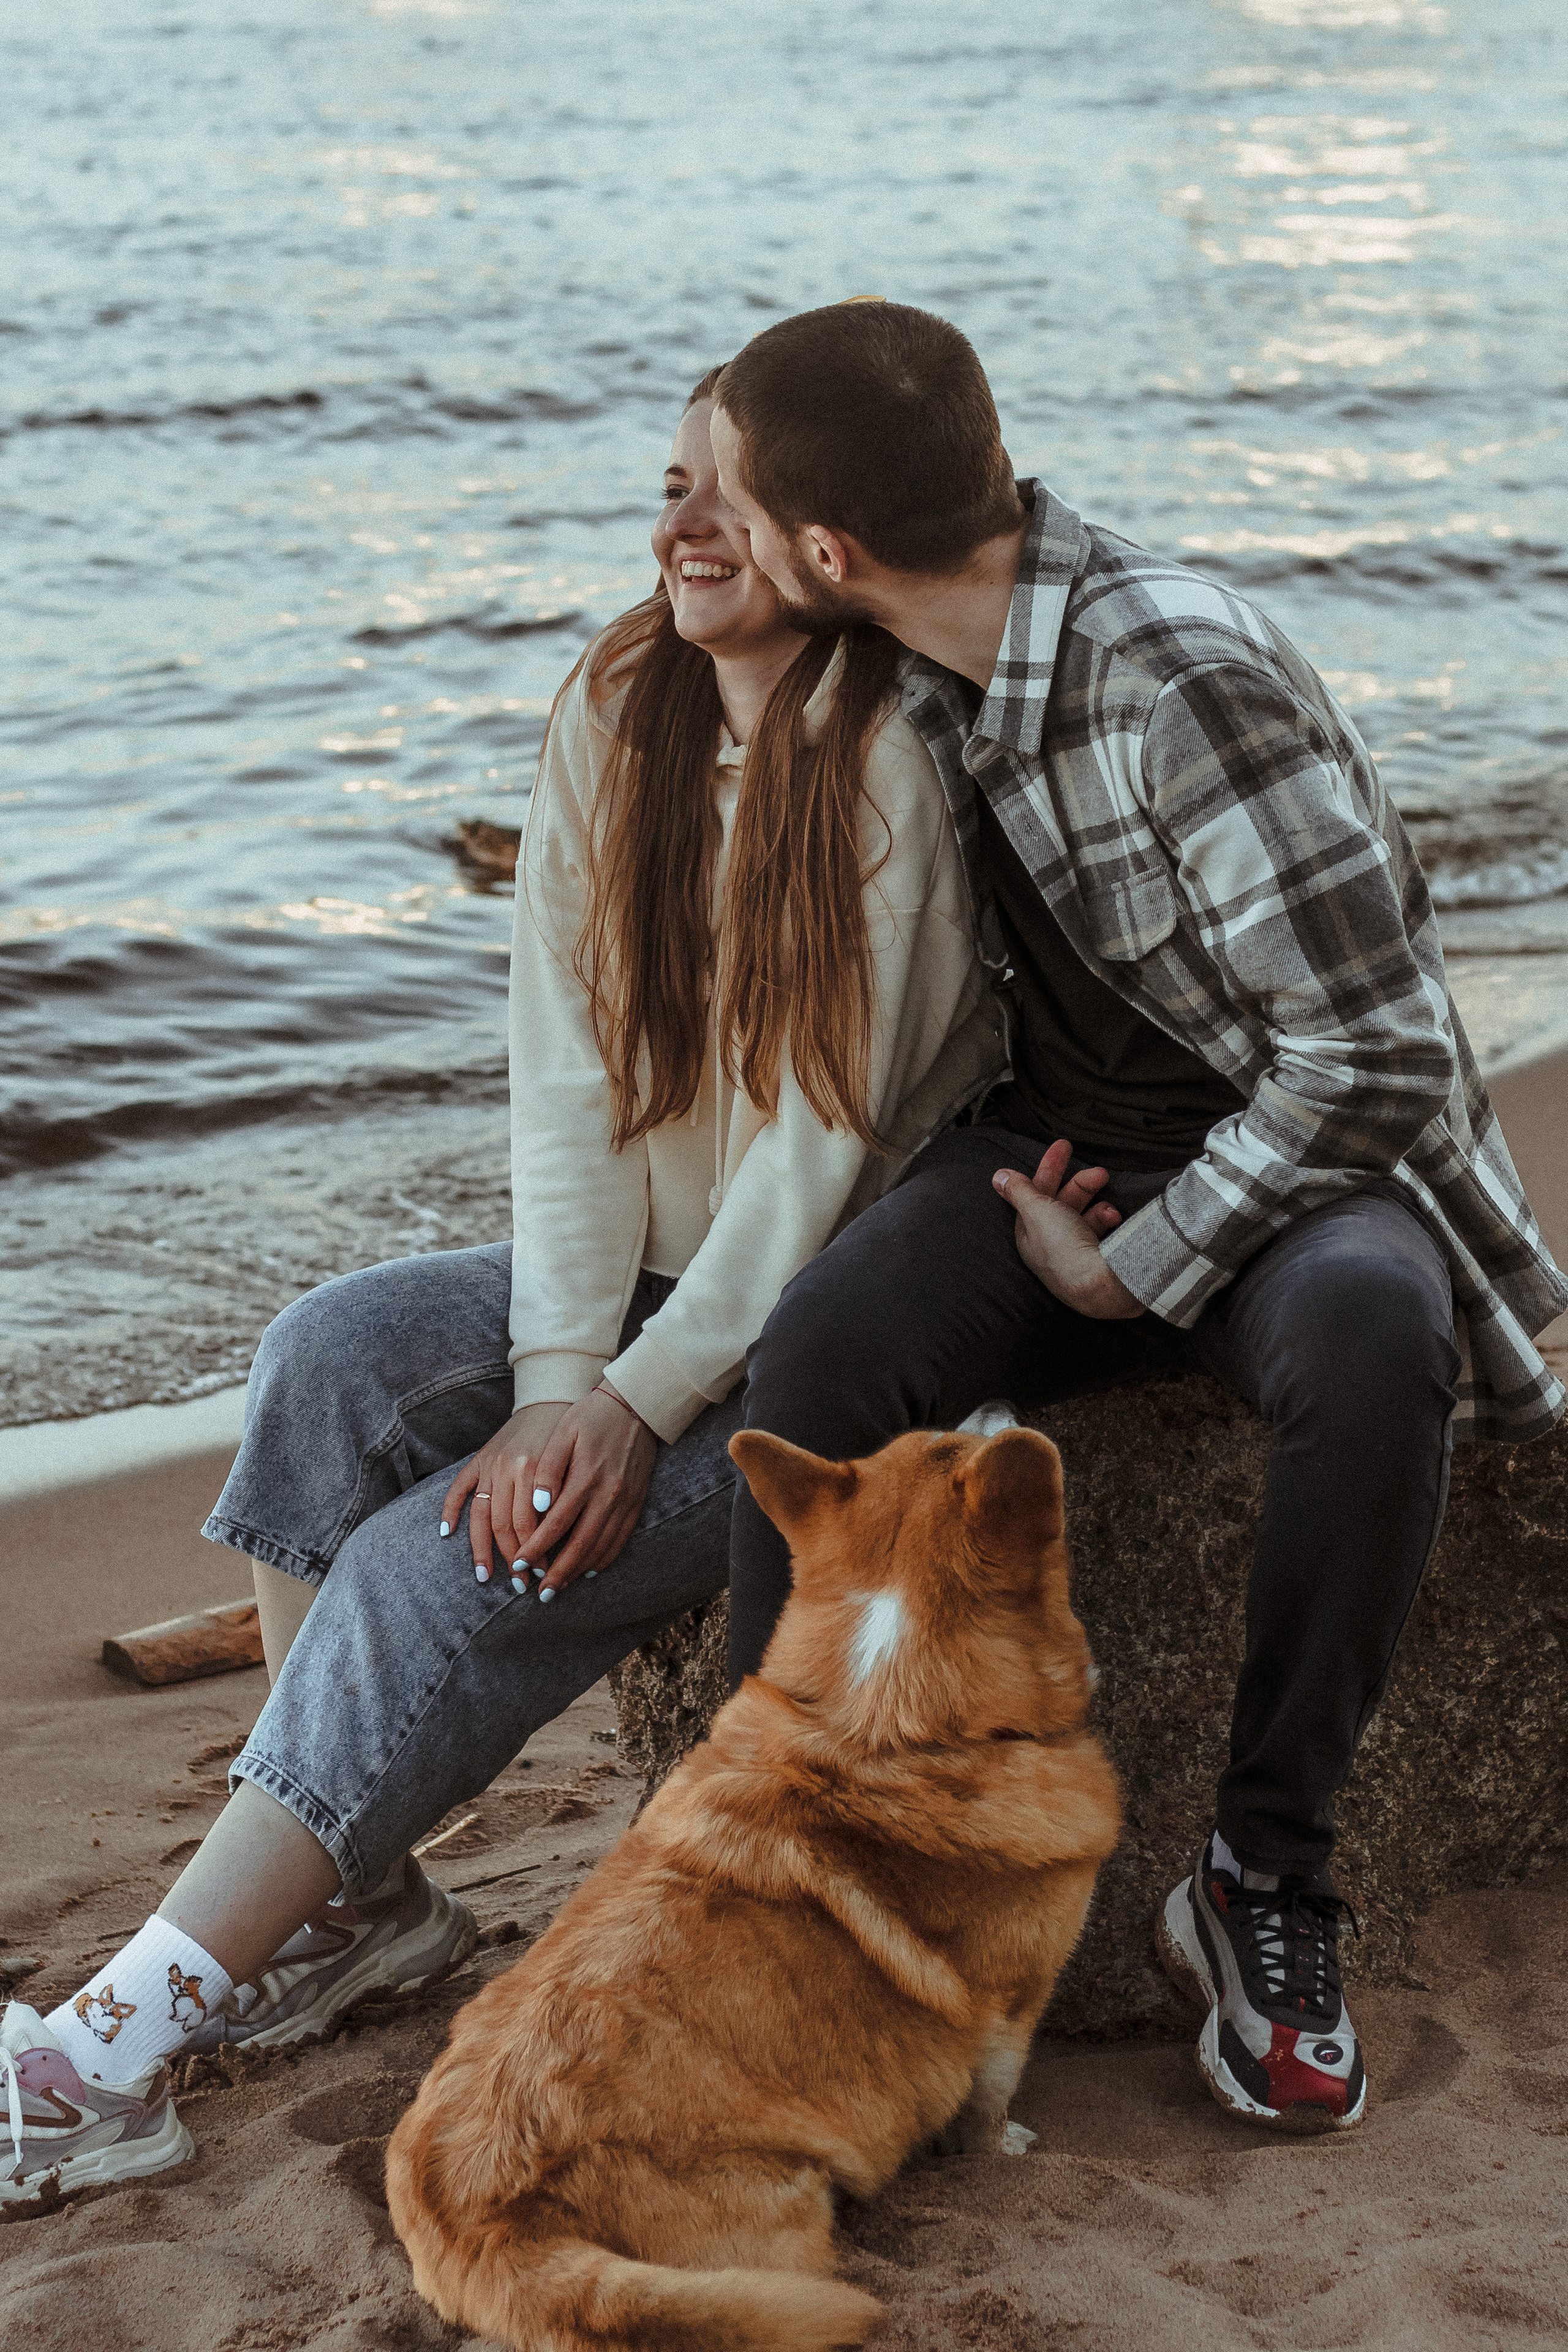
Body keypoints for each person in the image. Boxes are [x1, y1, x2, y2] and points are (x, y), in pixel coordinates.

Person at [0, 364, 1014, 2206]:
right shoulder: (619, 707)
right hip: (639, 1293)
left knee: (446, 1558)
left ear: (825, 536)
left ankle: (114, 2054)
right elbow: (569, 1081)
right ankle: (350, 1909)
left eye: (731, 493)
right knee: (327, 1356)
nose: (678, 529)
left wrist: (626, 1412)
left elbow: (816, 1167)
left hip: (835, 1343)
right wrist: (565, 1369)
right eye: (670, 485)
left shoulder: (891, 758)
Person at [703, 302, 1568, 2133]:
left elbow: (1387, 1053)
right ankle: (761, 1887)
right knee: (825, 1358)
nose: (721, 537)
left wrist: (1138, 1267)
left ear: (832, 550)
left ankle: (1265, 1878)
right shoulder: (919, 662)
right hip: (1052, 1153)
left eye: (744, 512)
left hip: (1299, 1162)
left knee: (1371, 1334)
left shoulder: (1174, 676)